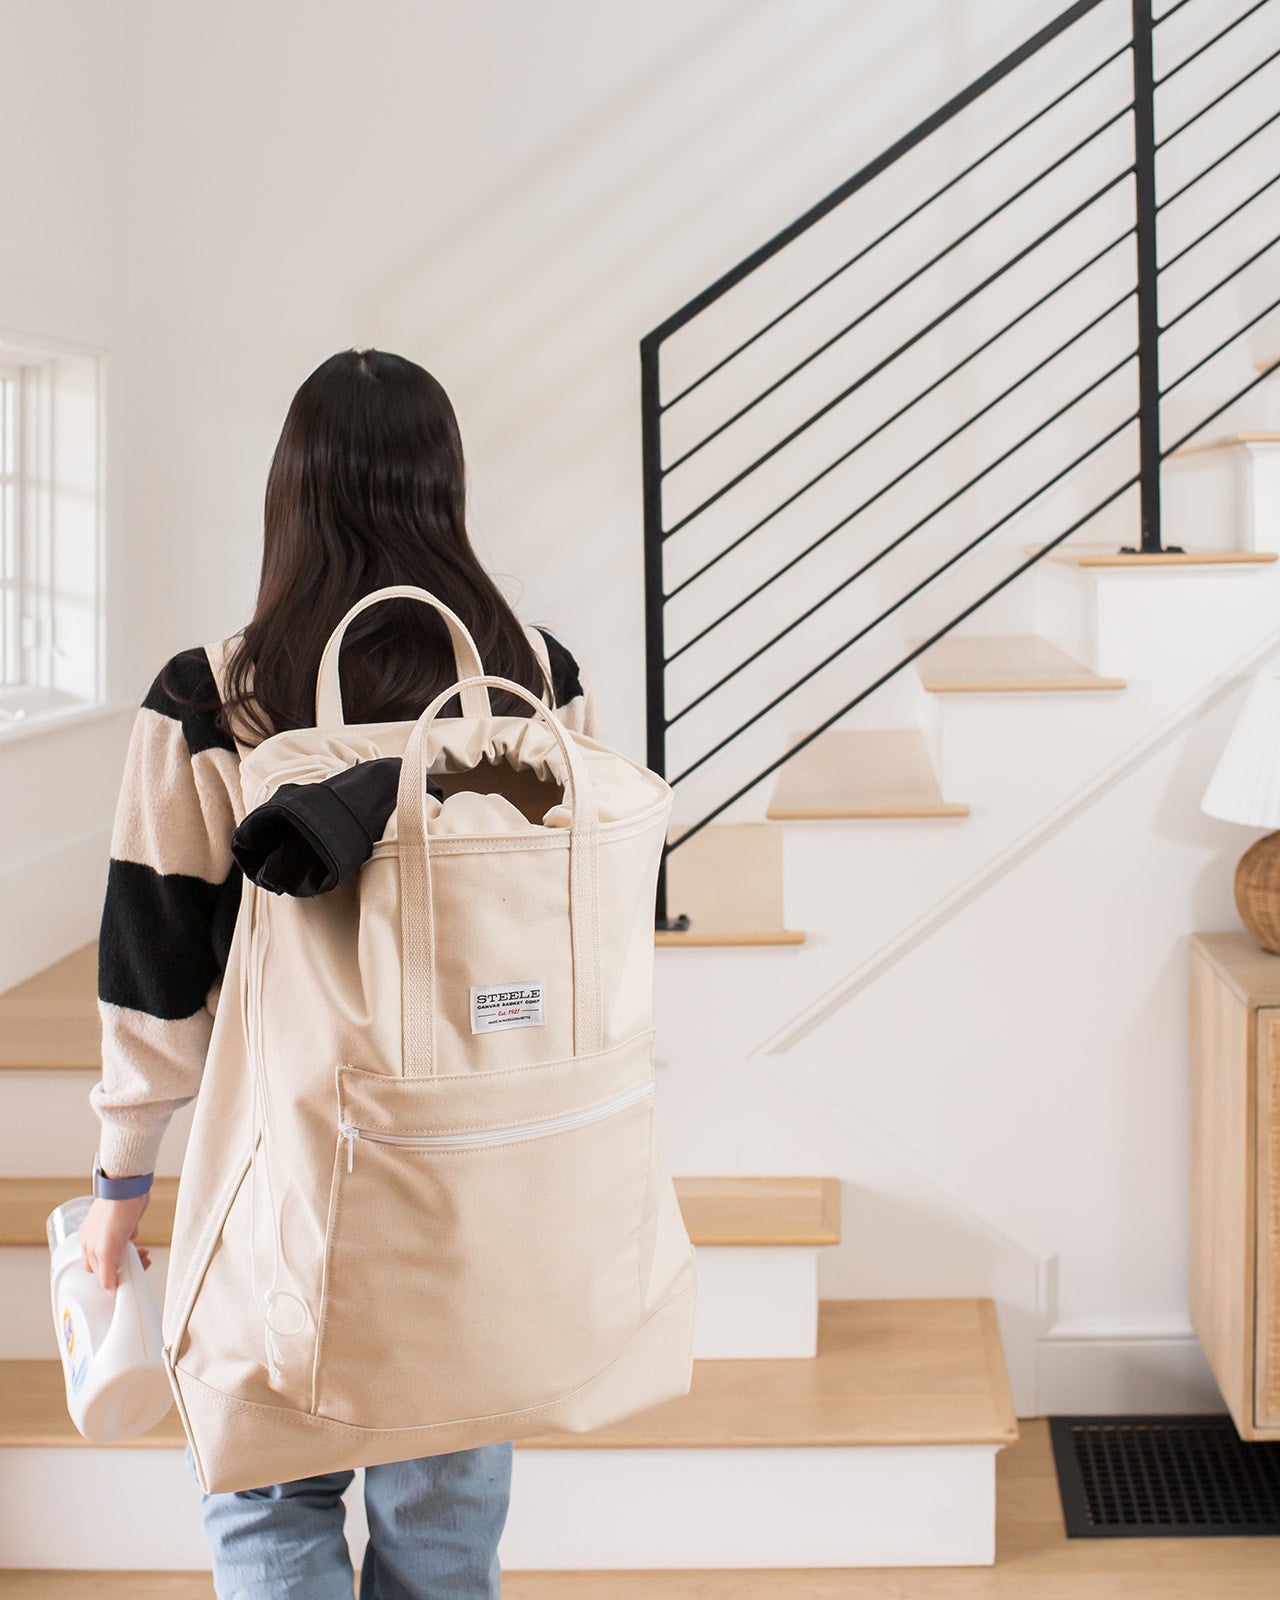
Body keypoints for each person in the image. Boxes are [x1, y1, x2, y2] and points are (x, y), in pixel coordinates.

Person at [78, 347, 599, 1599]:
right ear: (444, 486)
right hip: (474, 1185)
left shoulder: (215, 696)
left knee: (268, 1513)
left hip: (284, 1177)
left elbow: (155, 968)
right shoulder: (539, 680)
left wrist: (120, 1185)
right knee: (443, 1537)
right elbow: (571, 929)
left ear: (291, 491)